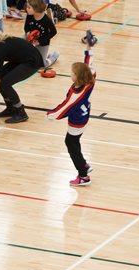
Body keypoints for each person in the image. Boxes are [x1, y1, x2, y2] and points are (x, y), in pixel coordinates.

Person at [46, 30, 96, 187]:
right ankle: (84, 164)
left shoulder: (77, 94)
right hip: (85, 118)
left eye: (73, 73)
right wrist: (89, 48)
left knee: (71, 144)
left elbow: (64, 108)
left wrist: (50, 114)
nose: (71, 74)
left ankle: (83, 176)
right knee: (75, 142)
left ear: (79, 77)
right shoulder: (90, 81)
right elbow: (89, 64)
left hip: (77, 122)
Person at [0, 24, 43, 123]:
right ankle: (10, 108)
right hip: (20, 60)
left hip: (32, 61)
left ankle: (21, 112)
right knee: (1, 80)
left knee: (4, 83)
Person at [25, 0, 59, 67]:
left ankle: (54, 55)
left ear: (36, 9)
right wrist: (28, 33)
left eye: (29, 8)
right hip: (30, 37)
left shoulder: (47, 20)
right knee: (19, 44)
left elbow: (54, 32)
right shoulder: (29, 15)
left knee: (43, 65)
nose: (26, 9)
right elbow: (26, 27)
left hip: (42, 42)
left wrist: (39, 42)